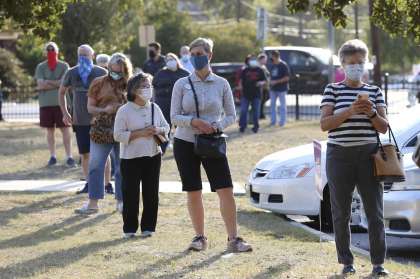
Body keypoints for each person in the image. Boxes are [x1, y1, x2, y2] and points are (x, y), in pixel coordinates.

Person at [171, 37, 252, 253]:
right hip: (185, 142)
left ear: (210, 55)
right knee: (194, 191)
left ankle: (234, 239)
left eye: (200, 54)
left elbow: (231, 115)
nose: (196, 58)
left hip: (212, 142)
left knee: (226, 189)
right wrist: (193, 122)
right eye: (193, 54)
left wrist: (217, 126)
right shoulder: (181, 84)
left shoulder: (222, 83)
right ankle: (199, 237)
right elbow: (174, 116)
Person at [320, 39, 389, 277]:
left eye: (360, 63)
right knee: (341, 211)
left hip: (369, 156)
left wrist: (370, 111)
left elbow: (383, 128)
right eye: (351, 63)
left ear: (366, 63)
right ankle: (346, 261)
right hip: (339, 155)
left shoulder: (374, 91)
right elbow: (325, 124)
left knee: (374, 211)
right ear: (342, 64)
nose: (356, 67)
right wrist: (349, 111)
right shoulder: (333, 89)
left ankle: (378, 263)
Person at [75, 53, 132, 215]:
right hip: (101, 130)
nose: (115, 75)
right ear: (108, 68)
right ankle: (93, 204)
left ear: (125, 70)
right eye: (112, 71)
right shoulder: (98, 83)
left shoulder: (131, 84)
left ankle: (121, 202)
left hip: (123, 131)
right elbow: (90, 108)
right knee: (95, 166)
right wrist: (103, 110)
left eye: (119, 72)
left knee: (122, 168)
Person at [114, 72, 170, 238]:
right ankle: (129, 229)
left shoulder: (154, 107)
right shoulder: (124, 110)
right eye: (143, 86)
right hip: (130, 158)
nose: (148, 89)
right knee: (130, 194)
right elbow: (117, 135)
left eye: (149, 86)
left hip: (153, 155)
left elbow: (166, 127)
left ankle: (148, 228)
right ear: (133, 90)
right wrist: (140, 133)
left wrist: (158, 130)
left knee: (151, 193)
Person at [59, 44, 115, 195]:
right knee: (85, 154)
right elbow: (61, 92)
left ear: (93, 55)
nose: (83, 57)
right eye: (81, 54)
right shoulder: (72, 72)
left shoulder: (101, 72)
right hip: (79, 120)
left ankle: (107, 184)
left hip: (100, 120)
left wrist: (107, 111)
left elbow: (113, 92)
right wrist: (65, 113)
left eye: (86, 54)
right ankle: (89, 183)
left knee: (103, 153)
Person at [35, 42, 74, 167]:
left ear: (57, 52)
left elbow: (65, 83)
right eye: (48, 50)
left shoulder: (64, 66)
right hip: (45, 104)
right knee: (49, 131)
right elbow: (40, 84)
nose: (50, 52)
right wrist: (56, 83)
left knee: (65, 130)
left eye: (53, 50)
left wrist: (48, 82)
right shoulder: (41, 67)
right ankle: (52, 156)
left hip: (61, 103)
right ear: (45, 52)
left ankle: (69, 157)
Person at [153, 53, 189, 153]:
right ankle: (161, 149)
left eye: (172, 59)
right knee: (163, 127)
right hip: (163, 103)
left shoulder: (185, 73)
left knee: (182, 127)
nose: (170, 61)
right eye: (167, 60)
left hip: (181, 104)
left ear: (176, 60)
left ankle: (184, 148)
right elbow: (154, 88)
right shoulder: (160, 73)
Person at [95, 52, 116, 192]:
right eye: (100, 66)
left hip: (116, 121)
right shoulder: (96, 82)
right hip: (101, 122)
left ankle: (109, 182)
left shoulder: (116, 81)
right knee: (104, 154)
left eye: (105, 67)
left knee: (114, 154)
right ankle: (104, 183)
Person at [239, 54, 267, 133]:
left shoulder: (260, 70)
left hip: (256, 94)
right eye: (251, 60)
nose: (252, 61)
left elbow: (265, 81)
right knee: (243, 110)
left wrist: (261, 83)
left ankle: (256, 126)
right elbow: (241, 80)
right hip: (246, 94)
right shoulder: (245, 70)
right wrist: (240, 87)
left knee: (256, 111)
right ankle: (242, 126)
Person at [268, 50, 290, 127]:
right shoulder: (273, 65)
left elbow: (287, 78)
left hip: (282, 89)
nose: (271, 58)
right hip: (273, 89)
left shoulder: (283, 65)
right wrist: (270, 81)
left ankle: (282, 122)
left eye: (272, 56)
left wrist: (276, 81)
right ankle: (273, 121)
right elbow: (270, 75)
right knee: (272, 105)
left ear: (275, 56)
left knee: (282, 106)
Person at [257, 53, 270, 119]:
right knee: (261, 101)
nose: (265, 61)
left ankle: (261, 114)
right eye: (264, 59)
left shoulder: (264, 67)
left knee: (264, 100)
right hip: (261, 88)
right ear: (260, 59)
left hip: (266, 87)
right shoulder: (258, 67)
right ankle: (260, 115)